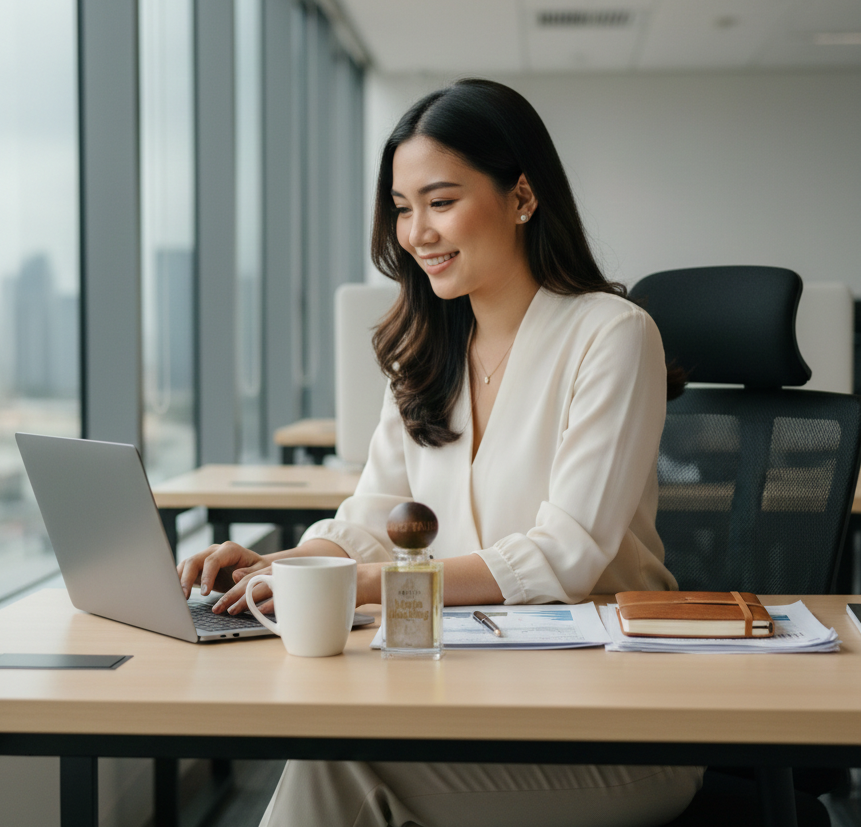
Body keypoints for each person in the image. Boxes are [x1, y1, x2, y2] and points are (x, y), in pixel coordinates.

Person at [177, 78, 702, 827]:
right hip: (471, 692)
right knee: (332, 753)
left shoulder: (611, 334)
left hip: (611, 718)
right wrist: (280, 568)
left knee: (339, 768)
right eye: (401, 207)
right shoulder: (428, 352)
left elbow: (566, 554)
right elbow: (370, 517)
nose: (415, 231)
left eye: (441, 200)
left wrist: (359, 584)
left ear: (522, 196)